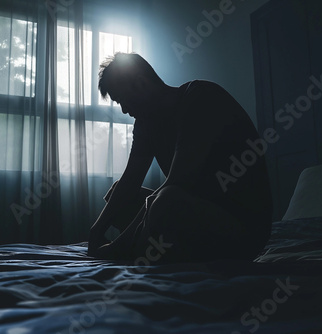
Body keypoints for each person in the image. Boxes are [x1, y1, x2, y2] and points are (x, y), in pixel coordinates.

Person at [88, 52, 273, 263]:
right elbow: (130, 181)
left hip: (241, 225)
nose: (124, 110)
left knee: (166, 202)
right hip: (198, 213)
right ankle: (161, 248)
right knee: (119, 193)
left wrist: (117, 247)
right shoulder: (146, 123)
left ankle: (147, 249)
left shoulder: (201, 97)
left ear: (140, 84)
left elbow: (178, 181)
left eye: (123, 100)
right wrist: (96, 230)